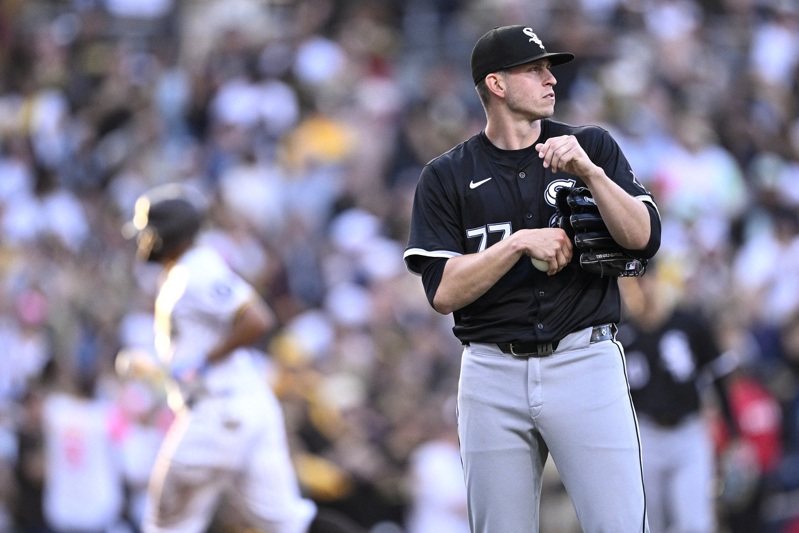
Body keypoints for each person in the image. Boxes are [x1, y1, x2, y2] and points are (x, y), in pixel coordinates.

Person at [403, 25, 661, 532]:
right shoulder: (447, 175)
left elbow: (644, 238)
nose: (550, 79)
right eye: (535, 69)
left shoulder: (589, 145)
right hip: (491, 370)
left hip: (584, 358)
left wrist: (591, 174)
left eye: (550, 69)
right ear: (496, 85)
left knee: (621, 526)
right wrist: (519, 242)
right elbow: (442, 292)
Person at [125, 183, 318, 533]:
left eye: (147, 232)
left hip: (218, 413)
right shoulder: (187, 269)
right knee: (289, 523)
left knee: (165, 525)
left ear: (165, 233)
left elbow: (256, 319)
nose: (143, 240)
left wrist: (205, 360)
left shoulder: (194, 270)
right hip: (248, 407)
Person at [617, 259, 739, 533]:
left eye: (643, 280)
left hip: (688, 432)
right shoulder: (622, 335)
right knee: (649, 522)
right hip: (646, 435)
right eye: (630, 283)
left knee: (694, 523)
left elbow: (718, 376)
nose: (639, 289)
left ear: (658, 280)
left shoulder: (689, 324)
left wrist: (733, 432)